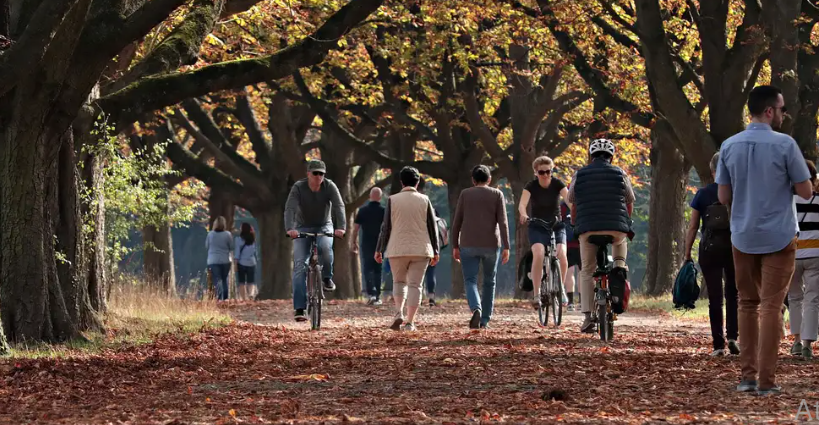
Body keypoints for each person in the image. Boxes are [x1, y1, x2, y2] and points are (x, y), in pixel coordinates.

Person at [716, 85, 812, 395]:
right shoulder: (786, 145)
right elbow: (806, 191)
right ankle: (767, 381)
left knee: (746, 303)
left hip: (742, 235)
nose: (785, 114)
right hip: (780, 235)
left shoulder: (729, 146)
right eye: (782, 109)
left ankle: (747, 377)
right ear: (770, 111)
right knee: (772, 306)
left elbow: (723, 195)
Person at [568, 138, 635, 333]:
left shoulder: (579, 175)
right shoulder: (621, 174)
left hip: (588, 228)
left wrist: (575, 224)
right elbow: (629, 201)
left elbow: (572, 201)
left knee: (587, 270)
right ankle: (618, 278)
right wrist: (626, 222)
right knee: (620, 255)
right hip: (616, 229)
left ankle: (588, 317)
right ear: (611, 156)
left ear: (591, 155)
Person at [685, 153, 738, 357]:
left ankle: (718, 345)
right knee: (733, 293)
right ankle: (733, 336)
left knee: (715, 297)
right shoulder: (735, 192)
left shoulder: (702, 194)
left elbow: (692, 227)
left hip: (710, 249)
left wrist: (687, 253)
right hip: (734, 248)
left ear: (712, 170)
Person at [375, 167, 440, 331]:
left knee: (399, 281)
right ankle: (410, 322)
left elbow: (386, 227)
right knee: (415, 285)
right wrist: (436, 250)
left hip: (397, 248)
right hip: (421, 249)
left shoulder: (392, 200)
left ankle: (398, 312)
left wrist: (379, 249)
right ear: (417, 182)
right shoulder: (425, 200)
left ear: (401, 182)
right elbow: (433, 228)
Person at [284, 160, 347, 322]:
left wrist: (341, 227)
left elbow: (339, 206)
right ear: (308, 174)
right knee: (300, 266)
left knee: (326, 248)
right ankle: (300, 308)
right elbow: (290, 208)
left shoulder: (330, 186)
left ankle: (327, 277)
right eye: (315, 173)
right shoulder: (298, 187)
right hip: (302, 227)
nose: (319, 176)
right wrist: (290, 228)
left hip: (324, 225)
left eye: (321, 173)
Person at [451, 165, 510, 329]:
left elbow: (456, 223)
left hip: (468, 244)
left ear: (473, 180)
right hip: (491, 244)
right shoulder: (497, 194)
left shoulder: (465, 194)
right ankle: (485, 319)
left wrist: (455, 245)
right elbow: (503, 222)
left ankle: (476, 307)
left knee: (470, 280)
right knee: (489, 282)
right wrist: (506, 246)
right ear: (489, 179)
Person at [518, 156, 569, 308]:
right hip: (537, 225)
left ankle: (561, 290)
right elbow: (522, 204)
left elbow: (569, 200)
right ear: (536, 172)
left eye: (548, 171)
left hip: (556, 225)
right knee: (539, 253)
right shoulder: (531, 186)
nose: (546, 175)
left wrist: (574, 212)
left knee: (562, 254)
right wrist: (523, 214)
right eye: (542, 172)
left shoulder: (557, 183)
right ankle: (536, 293)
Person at [788, 160, 819, 360]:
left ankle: (797, 341)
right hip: (815, 254)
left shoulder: (788, 200)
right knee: (813, 299)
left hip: (792, 254)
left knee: (794, 298)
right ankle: (808, 344)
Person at [352, 188, 386, 305]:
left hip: (366, 243)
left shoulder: (362, 210)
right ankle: (377, 296)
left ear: (369, 197)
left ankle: (371, 293)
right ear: (380, 198)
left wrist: (353, 241)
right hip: (380, 244)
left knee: (367, 269)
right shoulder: (384, 211)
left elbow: (356, 228)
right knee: (378, 269)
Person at [418, 178, 441, 307]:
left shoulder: (412, 202)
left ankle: (418, 297)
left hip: (416, 242)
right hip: (430, 244)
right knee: (431, 272)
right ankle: (431, 297)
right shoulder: (429, 204)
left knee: (417, 272)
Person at [206, 216, 234, 301]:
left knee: (217, 280)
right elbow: (231, 247)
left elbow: (207, 246)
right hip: (225, 260)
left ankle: (219, 297)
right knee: (224, 279)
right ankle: (225, 298)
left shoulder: (210, 234)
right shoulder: (228, 234)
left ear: (215, 224)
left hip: (213, 260)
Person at [560, 200, 581, 311]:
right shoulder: (583, 200)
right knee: (583, 272)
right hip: (582, 240)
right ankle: (582, 301)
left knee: (570, 272)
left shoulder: (563, 204)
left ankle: (571, 302)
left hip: (568, 242)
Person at [234, 222, 258, 301]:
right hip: (252, 262)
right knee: (251, 281)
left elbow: (237, 253)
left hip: (242, 263)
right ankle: (251, 295)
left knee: (242, 282)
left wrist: (235, 264)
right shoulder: (253, 239)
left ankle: (243, 299)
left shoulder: (238, 240)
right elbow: (255, 252)